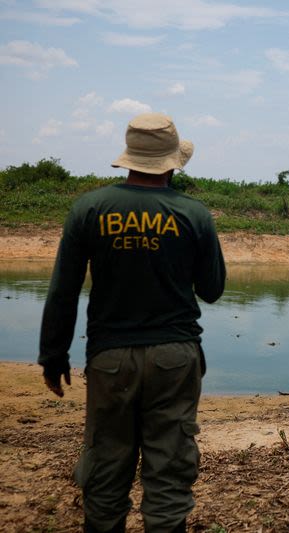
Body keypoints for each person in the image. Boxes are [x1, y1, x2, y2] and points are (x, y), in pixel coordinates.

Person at [38, 113, 226, 532]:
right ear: (171, 164)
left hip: (109, 359)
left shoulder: (89, 209)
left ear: (129, 159)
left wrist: (53, 357)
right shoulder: (193, 214)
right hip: (175, 360)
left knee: (105, 468)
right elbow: (212, 289)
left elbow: (62, 292)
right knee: (169, 473)